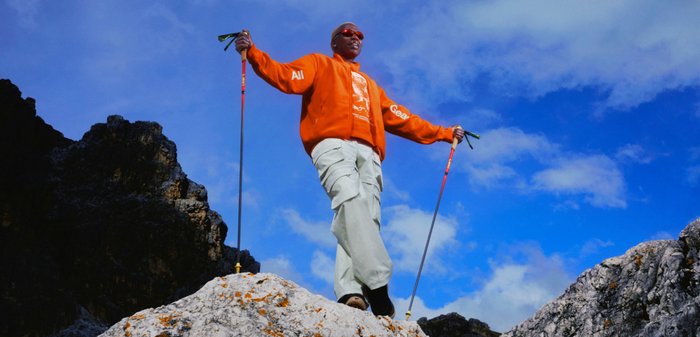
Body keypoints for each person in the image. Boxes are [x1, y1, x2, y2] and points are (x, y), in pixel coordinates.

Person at [235, 22, 465, 318]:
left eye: (360, 36)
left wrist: (444, 133)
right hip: (331, 144)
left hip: (370, 154)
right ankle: (377, 282)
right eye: (348, 33)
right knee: (349, 200)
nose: (355, 38)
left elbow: (402, 117)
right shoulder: (319, 64)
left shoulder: (371, 85)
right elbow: (287, 76)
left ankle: (351, 292)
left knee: (368, 219)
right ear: (334, 42)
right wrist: (253, 53)